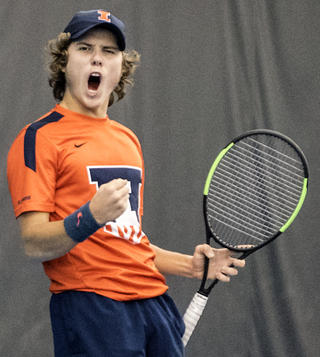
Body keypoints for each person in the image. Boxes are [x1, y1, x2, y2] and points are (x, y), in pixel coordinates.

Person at [7, 9, 245, 356]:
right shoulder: (38, 138)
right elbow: (34, 242)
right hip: (93, 308)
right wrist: (90, 215)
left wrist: (190, 266)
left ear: (121, 69)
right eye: (85, 48)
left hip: (154, 304)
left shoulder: (127, 140)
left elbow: (128, 241)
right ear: (64, 62)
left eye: (109, 52)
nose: (97, 60)